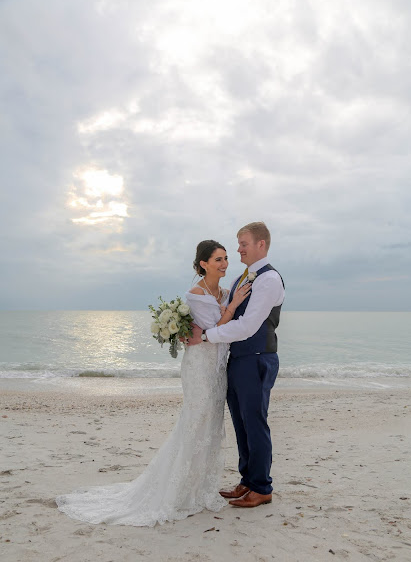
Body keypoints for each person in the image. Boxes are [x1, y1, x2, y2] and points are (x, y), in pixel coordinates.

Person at [56, 240, 250, 527]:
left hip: (218, 367)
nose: (224, 264)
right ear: (203, 264)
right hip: (199, 366)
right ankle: (176, 490)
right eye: (218, 260)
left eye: (225, 259)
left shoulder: (222, 290)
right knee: (195, 420)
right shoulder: (195, 294)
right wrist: (233, 305)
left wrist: (229, 302)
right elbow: (216, 329)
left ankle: (198, 488)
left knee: (210, 423)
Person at [187, 222, 285, 508]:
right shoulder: (245, 277)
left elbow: (247, 325)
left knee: (255, 423)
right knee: (241, 423)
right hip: (239, 359)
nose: (238, 249)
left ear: (261, 245)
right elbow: (225, 313)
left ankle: (262, 487)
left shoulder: (268, 279)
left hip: (256, 358)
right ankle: (247, 480)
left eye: (243, 244)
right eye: (238, 244)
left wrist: (204, 336)